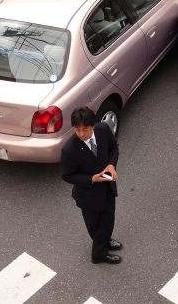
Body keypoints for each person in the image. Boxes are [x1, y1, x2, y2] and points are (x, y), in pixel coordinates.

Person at [61, 107, 123, 264]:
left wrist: (111, 165)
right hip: (88, 195)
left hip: (107, 187)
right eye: (77, 129)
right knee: (95, 225)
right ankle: (99, 255)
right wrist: (91, 179)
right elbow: (67, 175)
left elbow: (113, 148)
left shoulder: (103, 129)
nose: (81, 134)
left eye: (85, 129)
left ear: (93, 125)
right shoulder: (69, 150)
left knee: (108, 219)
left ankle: (104, 241)